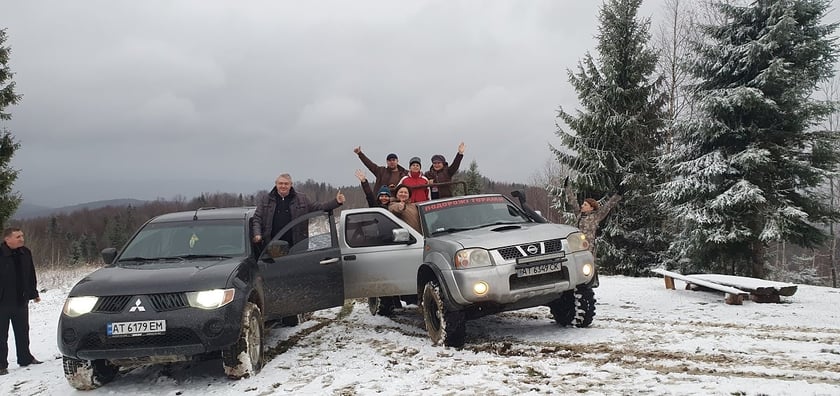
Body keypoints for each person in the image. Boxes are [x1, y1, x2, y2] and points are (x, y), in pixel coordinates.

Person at [251, 173, 345, 247]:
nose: (283, 186)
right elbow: (257, 218)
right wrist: (257, 234)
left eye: (286, 184)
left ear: (291, 185)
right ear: (276, 184)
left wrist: (336, 202)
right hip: (271, 247)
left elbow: (319, 207)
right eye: (280, 183)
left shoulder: (302, 199)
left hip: (296, 247)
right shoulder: (266, 199)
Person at [0, 227, 42, 376]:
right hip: (2, 302)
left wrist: (33, 293)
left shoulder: (26, 252)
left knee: (23, 331)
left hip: (21, 299)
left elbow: (31, 274)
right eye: (17, 236)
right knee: (1, 335)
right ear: (7, 239)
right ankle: (1, 365)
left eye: (22, 236)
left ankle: (25, 358)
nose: (21, 239)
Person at [564, 178, 621, 259]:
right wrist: (567, 188)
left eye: (585, 205)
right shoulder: (579, 214)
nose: (582, 206)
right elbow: (573, 201)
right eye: (583, 204)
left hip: (588, 250)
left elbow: (608, 205)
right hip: (576, 248)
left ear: (591, 208)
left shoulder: (596, 216)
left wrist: (618, 195)